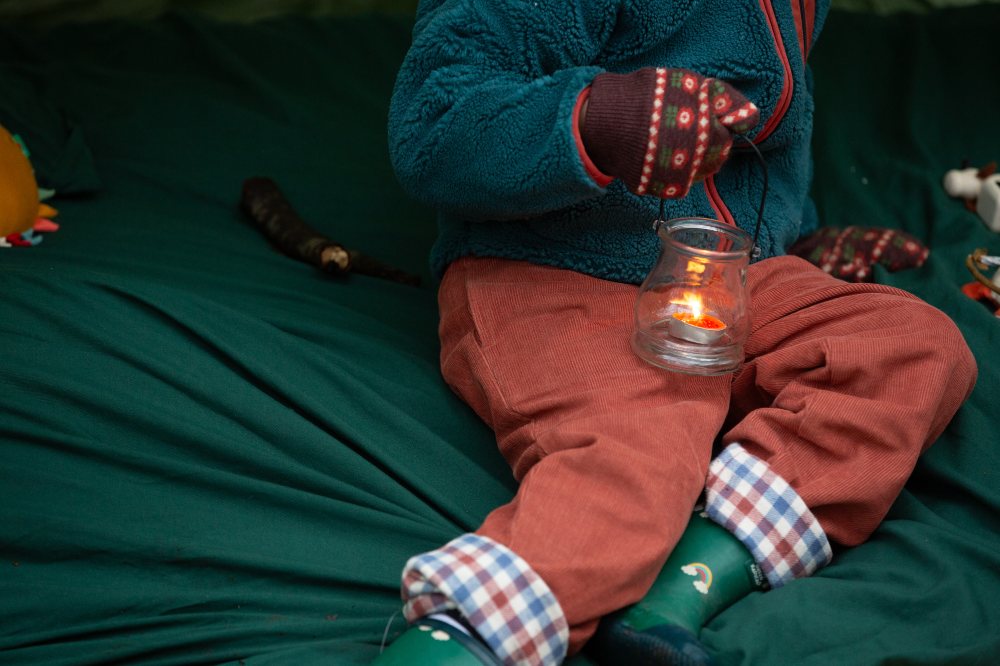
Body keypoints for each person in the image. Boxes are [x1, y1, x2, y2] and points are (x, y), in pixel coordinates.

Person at [374, 1, 978, 664]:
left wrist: (795, 234)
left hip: (724, 276)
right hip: (551, 269)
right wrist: (593, 117)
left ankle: (679, 583)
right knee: (643, 452)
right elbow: (432, 126)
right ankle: (463, 638)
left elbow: (763, 145)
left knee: (912, 347)